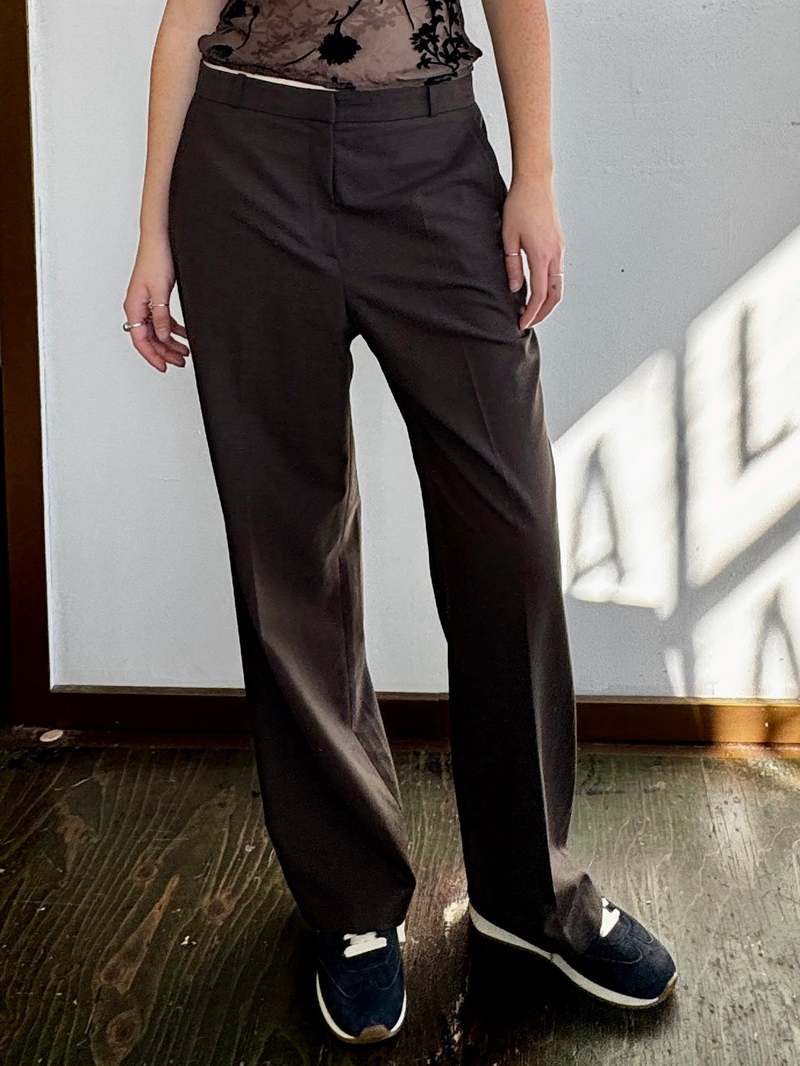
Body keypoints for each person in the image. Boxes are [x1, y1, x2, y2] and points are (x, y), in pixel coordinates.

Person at [123, 0, 678, 1046]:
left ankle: (530, 894)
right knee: (289, 551)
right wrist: (152, 231)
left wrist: (535, 176)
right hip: (243, 167)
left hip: (429, 155)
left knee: (509, 527)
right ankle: (349, 906)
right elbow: (184, 19)